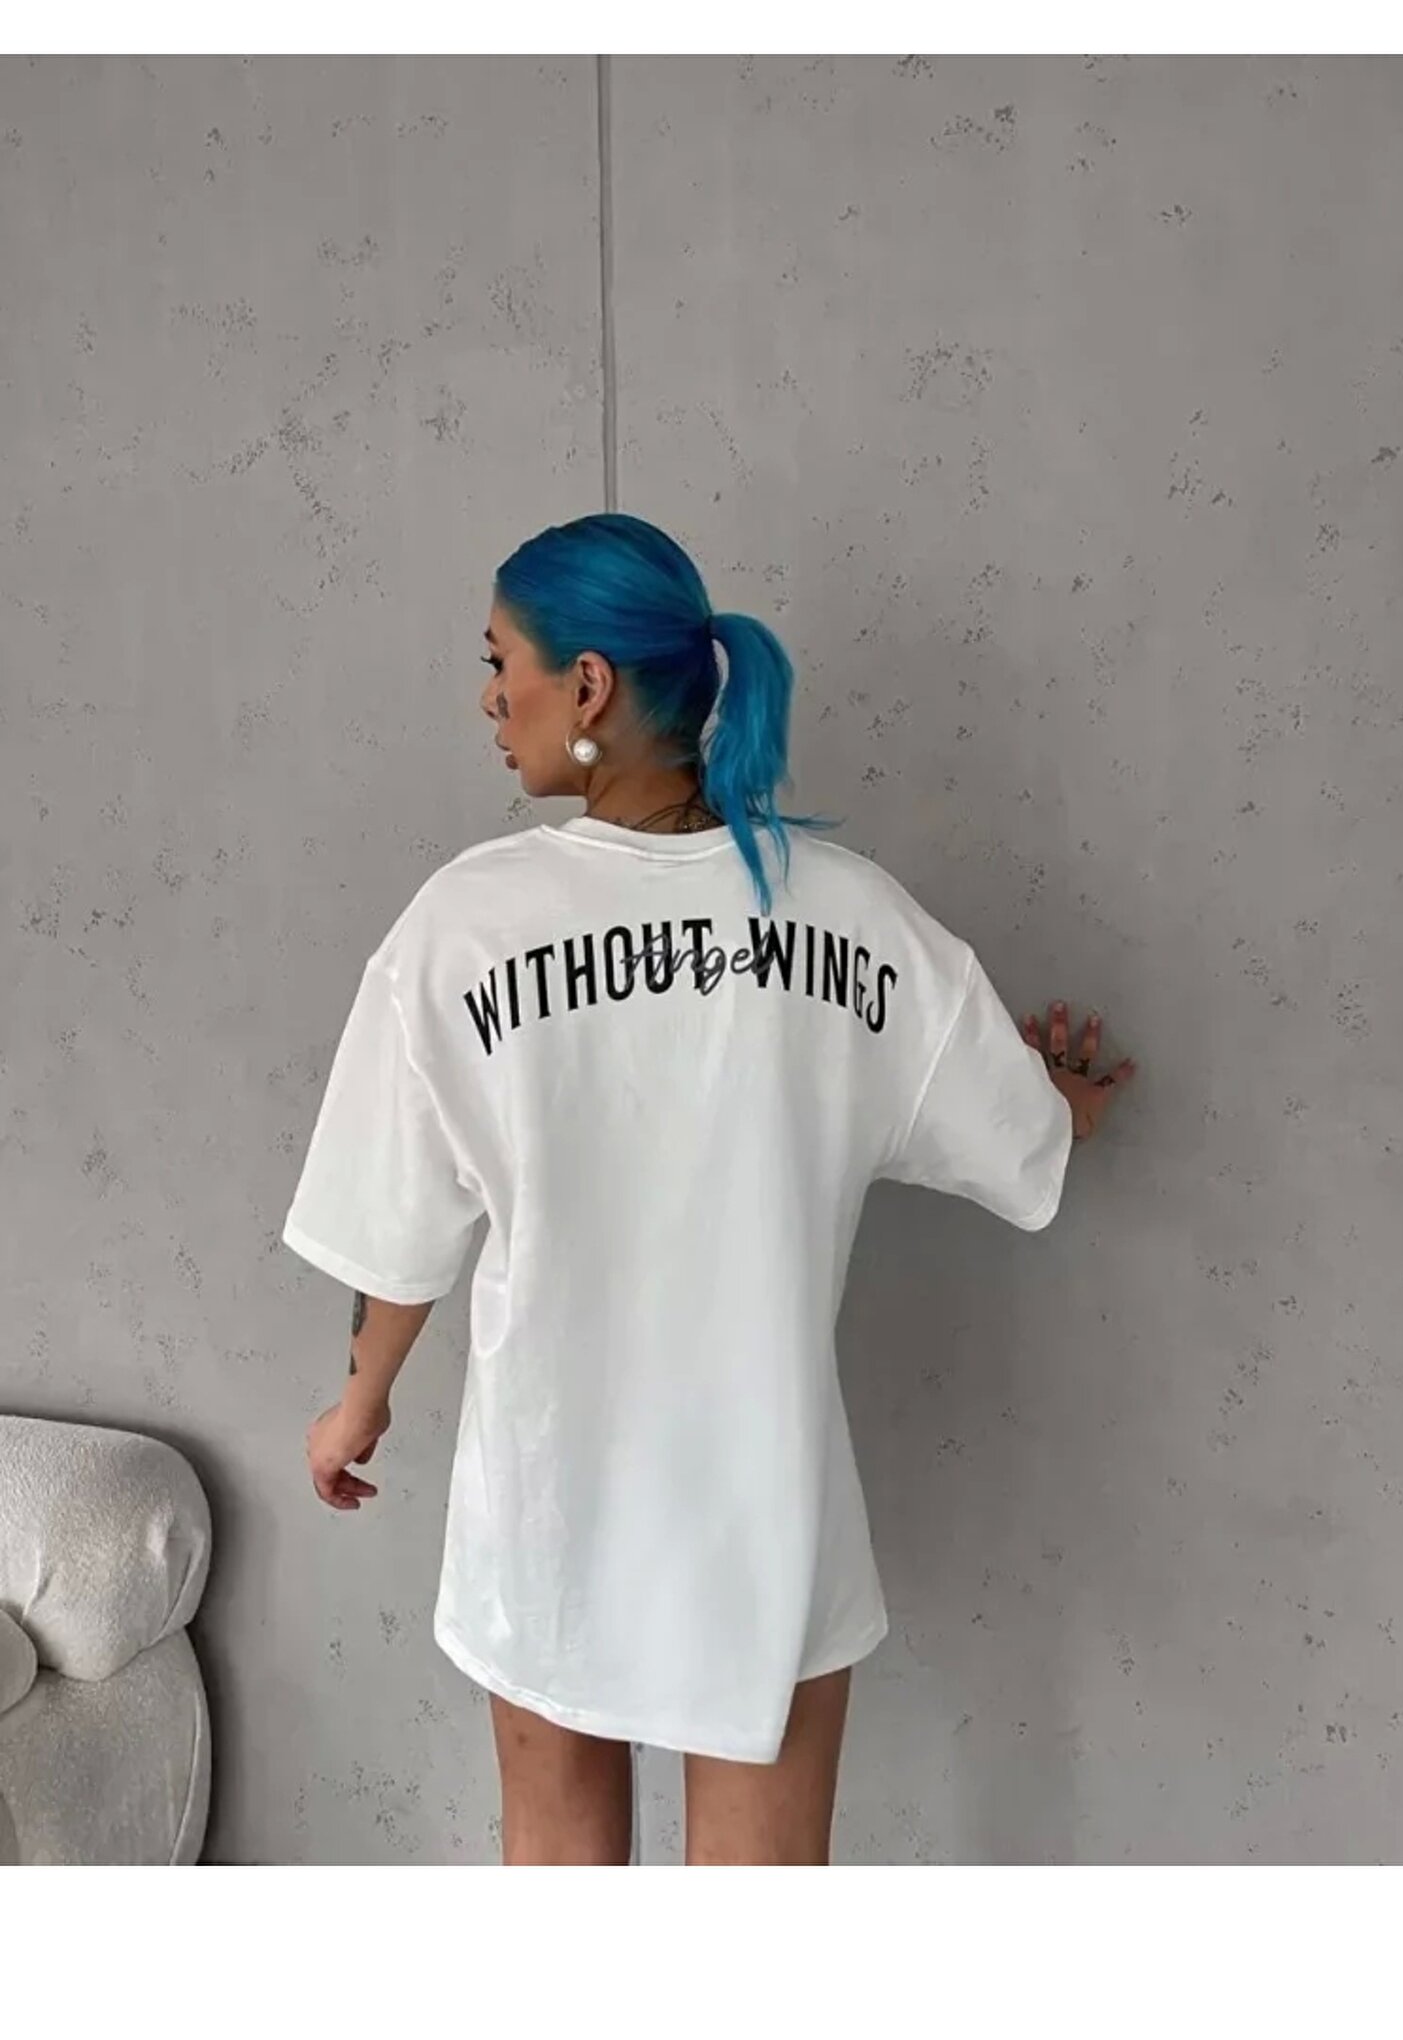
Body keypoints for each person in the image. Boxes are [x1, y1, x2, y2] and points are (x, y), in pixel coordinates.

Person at [283, 512, 1137, 1866]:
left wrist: (358, 1404)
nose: (488, 697)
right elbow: (1016, 1129)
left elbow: (403, 1225)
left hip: (552, 1505)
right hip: (770, 1513)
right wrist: (1070, 1102)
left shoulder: (464, 927)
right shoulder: (849, 916)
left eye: (499, 660)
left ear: (588, 686)